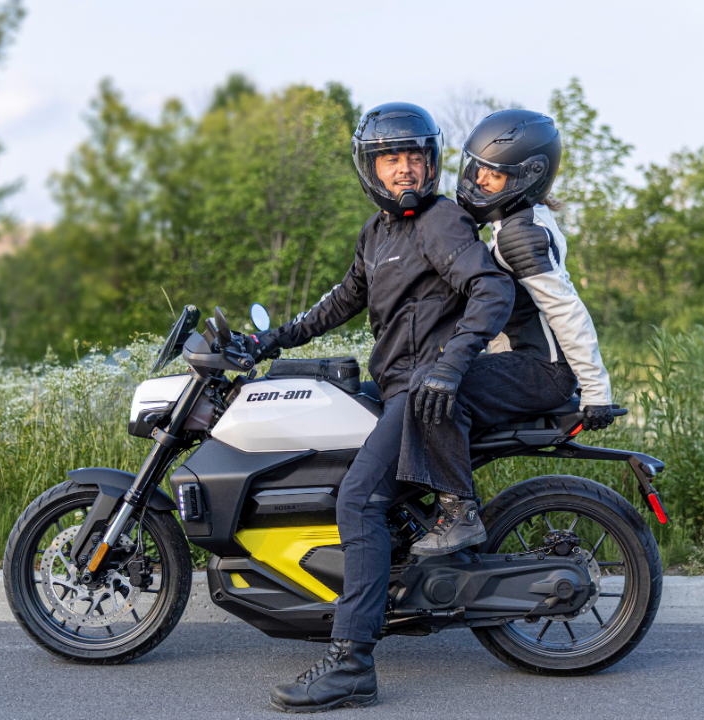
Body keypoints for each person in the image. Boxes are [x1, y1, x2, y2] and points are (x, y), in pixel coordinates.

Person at [250, 102, 513, 713]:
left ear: (431, 163)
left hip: (423, 388)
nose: (404, 170)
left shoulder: (440, 222)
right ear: (371, 167)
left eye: (414, 158)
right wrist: (273, 338)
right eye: (391, 159)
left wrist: (452, 361)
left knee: (360, 499)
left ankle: (352, 663)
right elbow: (341, 301)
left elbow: (490, 288)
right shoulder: (378, 233)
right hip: (397, 386)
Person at [398, 108, 617, 556]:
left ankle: (459, 515)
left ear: (527, 177)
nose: (476, 181)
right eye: (475, 169)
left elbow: (566, 311)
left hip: (542, 370)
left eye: (491, 177)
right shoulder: (513, 223)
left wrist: (597, 391)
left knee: (437, 389)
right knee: (430, 380)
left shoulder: (520, 235)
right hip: (523, 362)